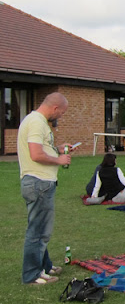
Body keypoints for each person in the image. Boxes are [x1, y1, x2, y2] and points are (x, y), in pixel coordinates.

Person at [17, 92, 73, 285]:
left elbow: (41, 148)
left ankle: (45, 265)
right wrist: (59, 160)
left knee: (41, 228)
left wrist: (57, 149)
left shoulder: (37, 121)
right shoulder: (36, 122)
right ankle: (32, 275)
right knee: (38, 231)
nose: (60, 117)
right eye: (61, 113)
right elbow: (36, 154)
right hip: (38, 183)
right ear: (55, 108)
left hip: (41, 183)